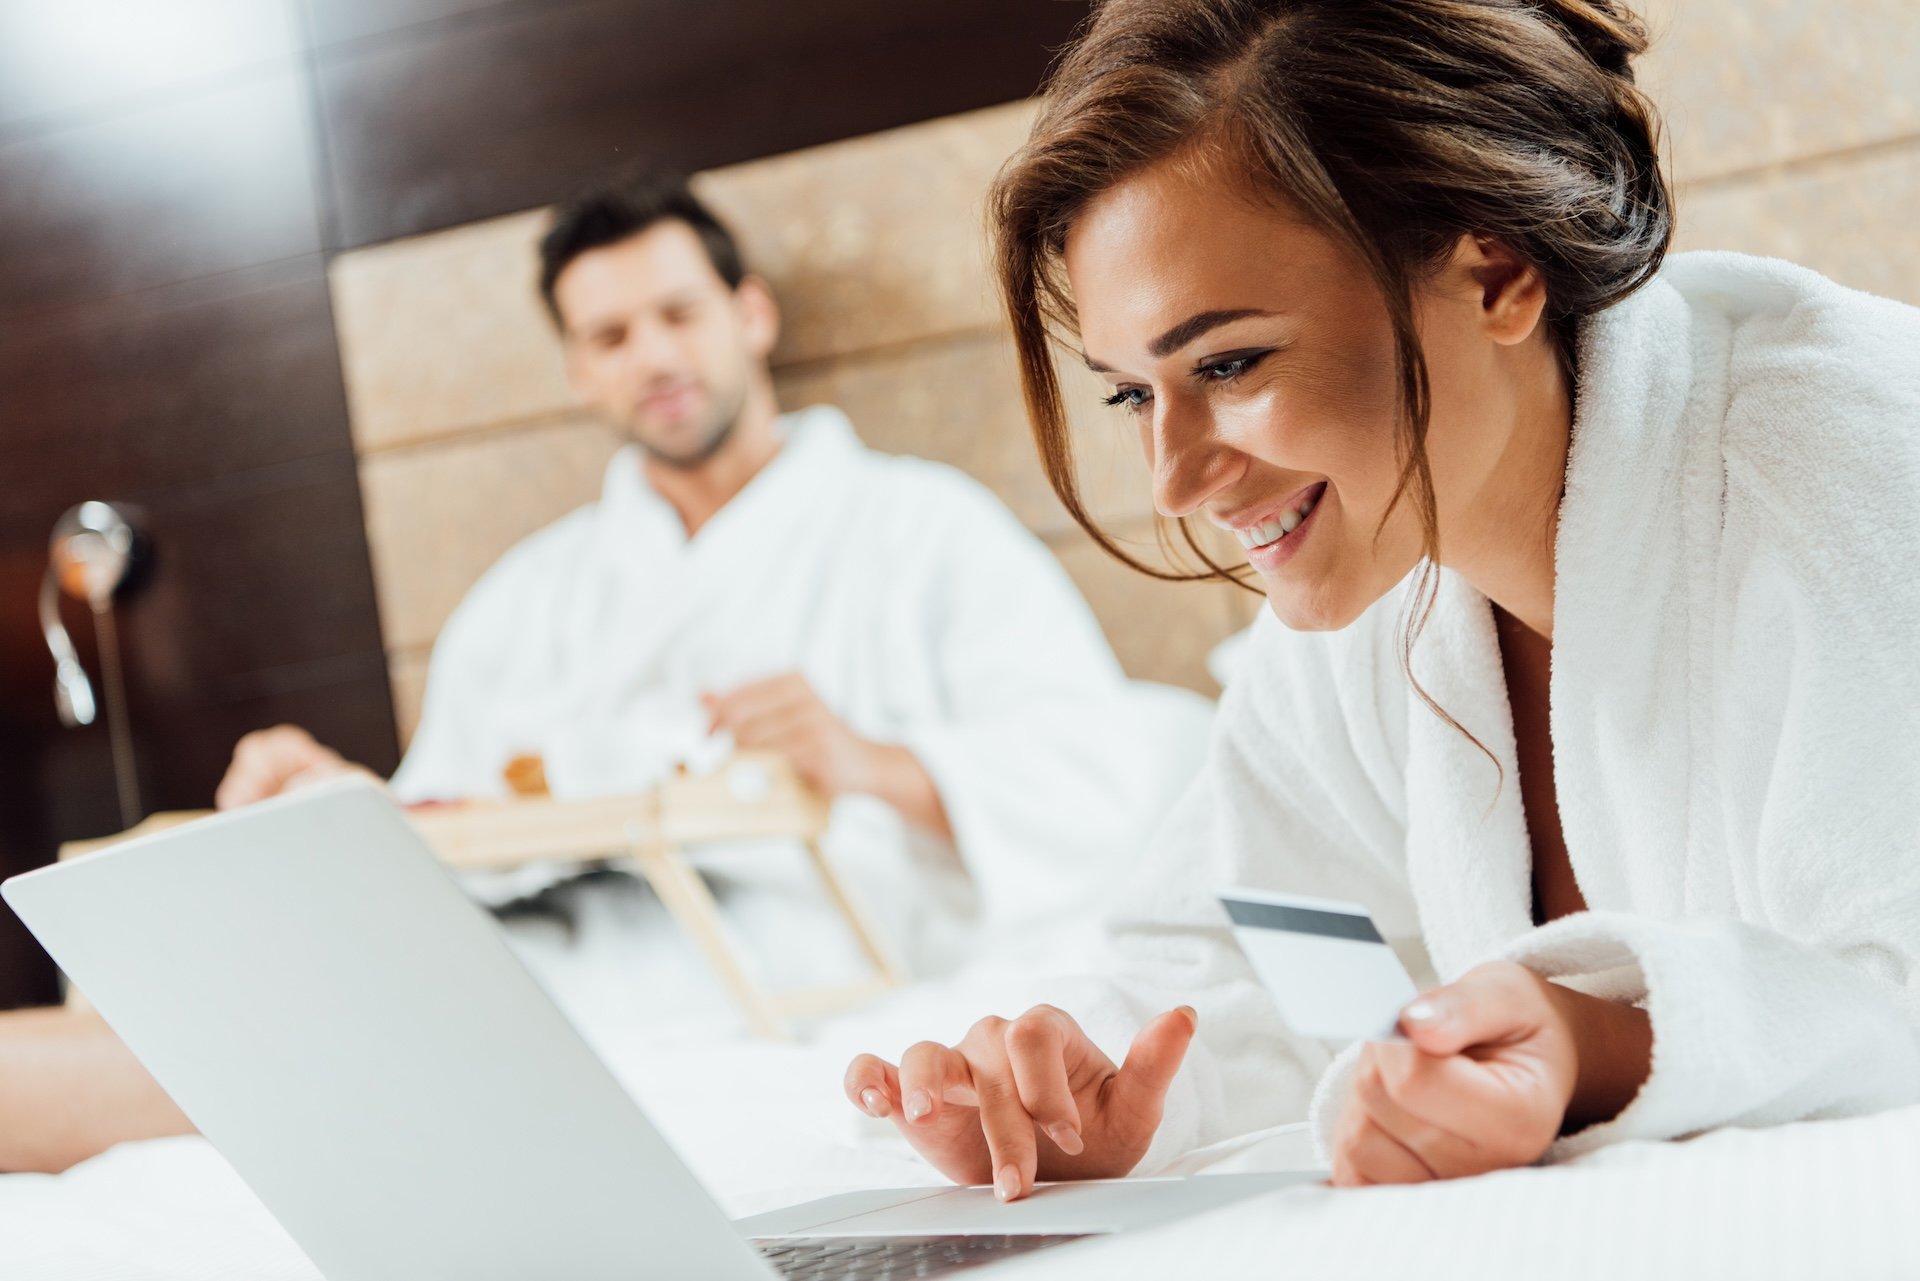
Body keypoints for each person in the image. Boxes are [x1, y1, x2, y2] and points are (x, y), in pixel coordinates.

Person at [840, 0, 1920, 1203]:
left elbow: (1901, 979)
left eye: (1231, 364)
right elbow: (1253, 953)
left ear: (1497, 272)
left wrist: (1598, 1043)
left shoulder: (1855, 466)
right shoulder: (1376, 572)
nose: (1178, 480)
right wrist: (1109, 1087)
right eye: (1133, 395)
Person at [0, 171, 1211, 1174]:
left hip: (784, 947)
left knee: (293, 1040)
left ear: (750, 316)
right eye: (611, 336)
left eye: (678, 315)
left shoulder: (923, 529)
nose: (653, 357)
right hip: (542, 925)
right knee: (179, 984)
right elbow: (444, 836)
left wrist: (872, 762)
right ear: (579, 371)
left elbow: (1109, 767)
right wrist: (340, 795)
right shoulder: (530, 595)